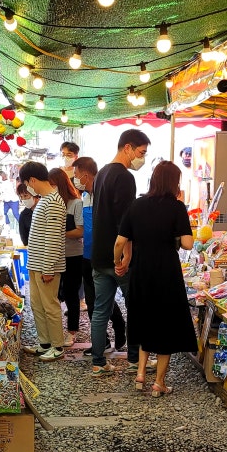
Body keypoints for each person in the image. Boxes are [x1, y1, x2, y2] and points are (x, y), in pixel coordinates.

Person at [114, 161, 196, 396]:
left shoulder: (136, 205)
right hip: (167, 272)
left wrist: (118, 262)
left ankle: (140, 373)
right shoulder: (177, 207)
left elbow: (120, 241)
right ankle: (158, 383)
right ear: (174, 183)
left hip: (141, 270)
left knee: (144, 318)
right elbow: (188, 243)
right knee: (166, 325)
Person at [90, 129, 151, 376]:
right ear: (127, 147)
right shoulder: (125, 177)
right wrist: (126, 256)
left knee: (100, 310)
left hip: (99, 255)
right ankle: (135, 360)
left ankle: (98, 362)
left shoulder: (102, 173)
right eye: (141, 152)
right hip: (119, 257)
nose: (142, 158)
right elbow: (125, 223)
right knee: (134, 306)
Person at [74, 157, 125, 356]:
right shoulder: (85, 197)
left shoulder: (103, 195)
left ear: (86, 175)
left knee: (105, 300)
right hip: (87, 256)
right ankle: (101, 342)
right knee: (94, 301)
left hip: (106, 256)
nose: (75, 180)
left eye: (77, 176)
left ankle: (120, 328)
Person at [20, 161, 67, 361]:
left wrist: (48, 267)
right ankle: (44, 342)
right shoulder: (44, 200)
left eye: (26, 183)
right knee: (37, 306)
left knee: (50, 306)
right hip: (36, 263)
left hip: (46, 265)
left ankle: (57, 346)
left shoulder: (54, 201)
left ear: (32, 180)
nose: (28, 188)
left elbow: (54, 238)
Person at [48, 167, 84, 346]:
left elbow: (80, 231)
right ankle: (54, 332)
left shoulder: (76, 203)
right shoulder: (49, 202)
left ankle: (72, 331)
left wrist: (58, 232)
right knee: (54, 293)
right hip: (54, 254)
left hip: (73, 255)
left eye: (53, 185)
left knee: (71, 294)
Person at [16, 181, 35, 246]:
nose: (24, 199)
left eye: (26, 195)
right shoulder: (23, 215)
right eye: (21, 197)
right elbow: (24, 240)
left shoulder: (43, 208)